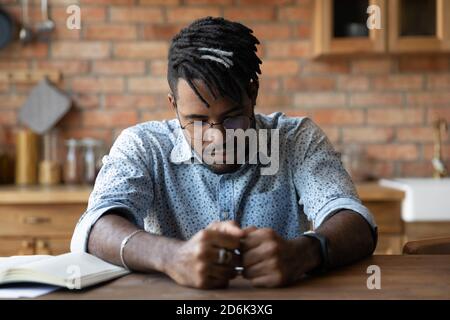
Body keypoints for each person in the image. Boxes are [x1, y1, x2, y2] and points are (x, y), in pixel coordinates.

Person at [71, 17, 377, 289]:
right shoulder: (144, 145)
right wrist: (171, 257)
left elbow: (355, 221)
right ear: (173, 105)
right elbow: (95, 226)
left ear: (253, 94)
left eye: (231, 117)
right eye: (198, 121)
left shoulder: (295, 139)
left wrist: (306, 252)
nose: (217, 137)